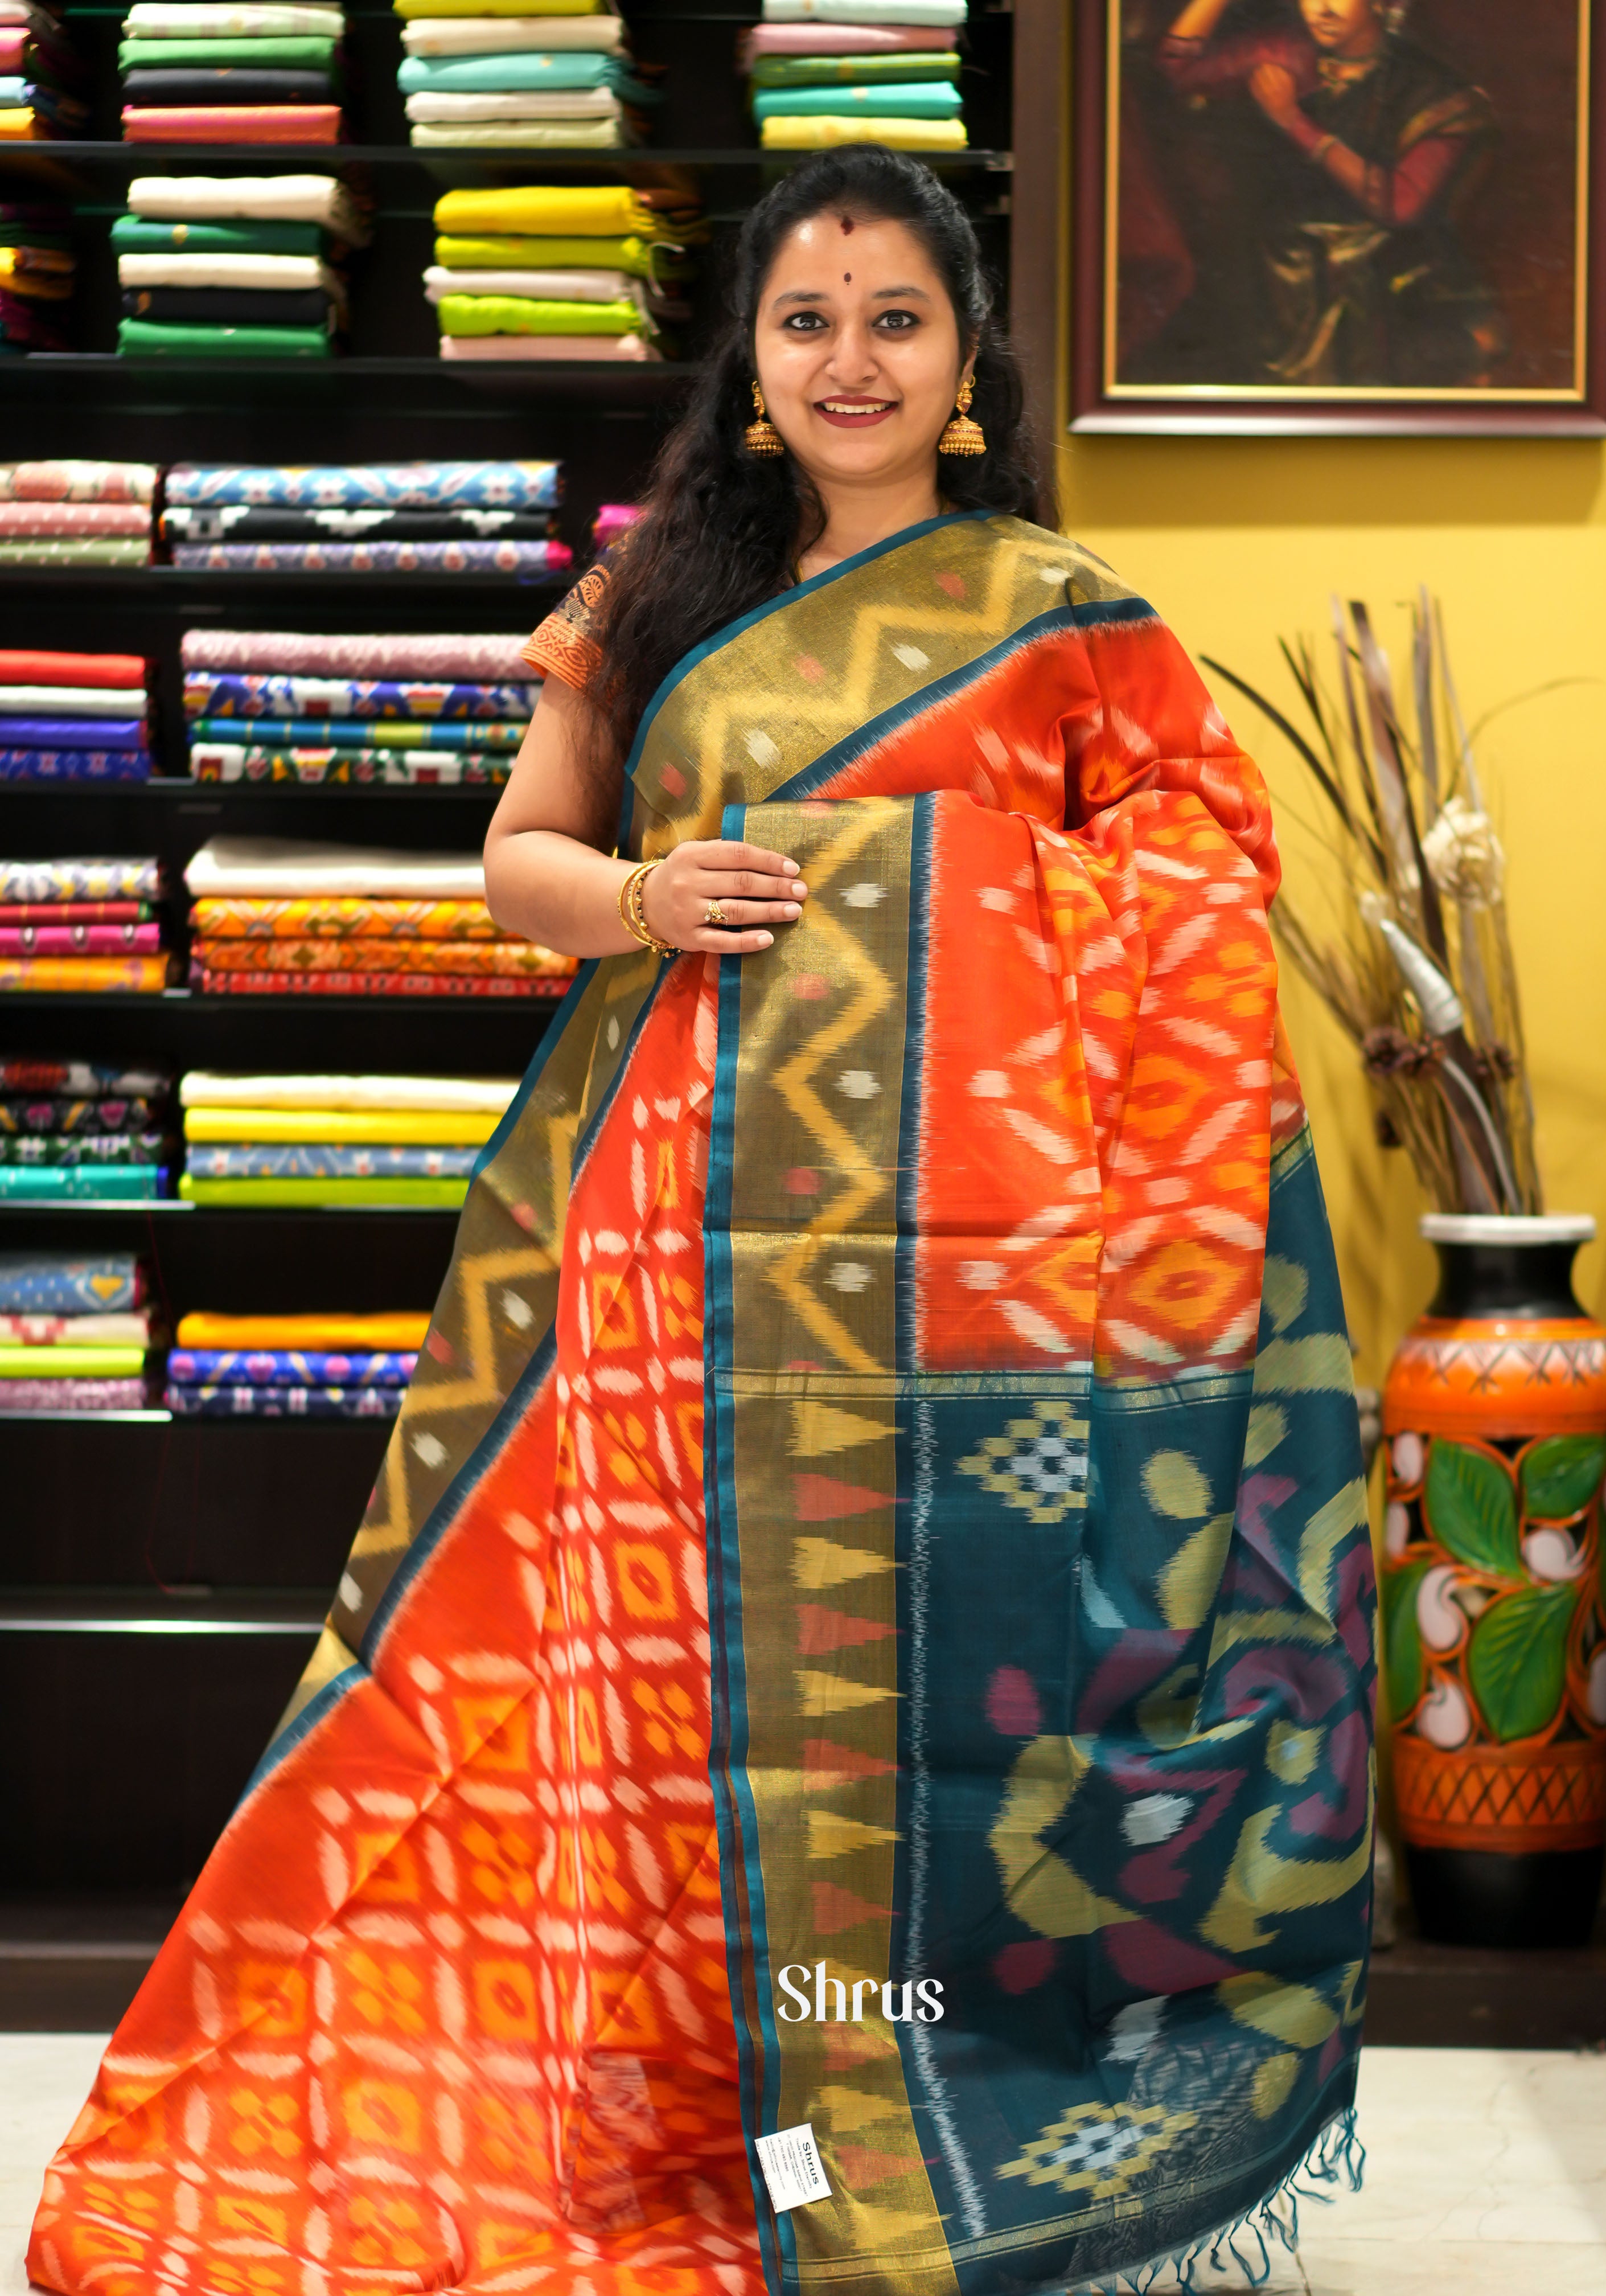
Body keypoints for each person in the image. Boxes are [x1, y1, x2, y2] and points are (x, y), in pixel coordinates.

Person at [28, 146, 1374, 2296]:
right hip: (668, 1248)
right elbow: (515, 864)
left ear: (963, 365)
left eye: (895, 319)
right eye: (804, 319)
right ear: (749, 366)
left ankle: (898, 2127)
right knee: (656, 1703)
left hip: (982, 1296)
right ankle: (659, 2106)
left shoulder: (1065, 619)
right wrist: (652, 894)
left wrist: (968, 901)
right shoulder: (646, 594)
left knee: (928, 1694)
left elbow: (1207, 887)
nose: (850, 358)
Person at [1153, 0, 1498, 386]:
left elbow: (1399, 204)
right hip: (1280, 280)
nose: (1322, 9)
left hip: (1386, 286)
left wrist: (1293, 122)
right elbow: (1176, 67)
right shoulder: (1284, 52)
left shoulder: (1433, 91)